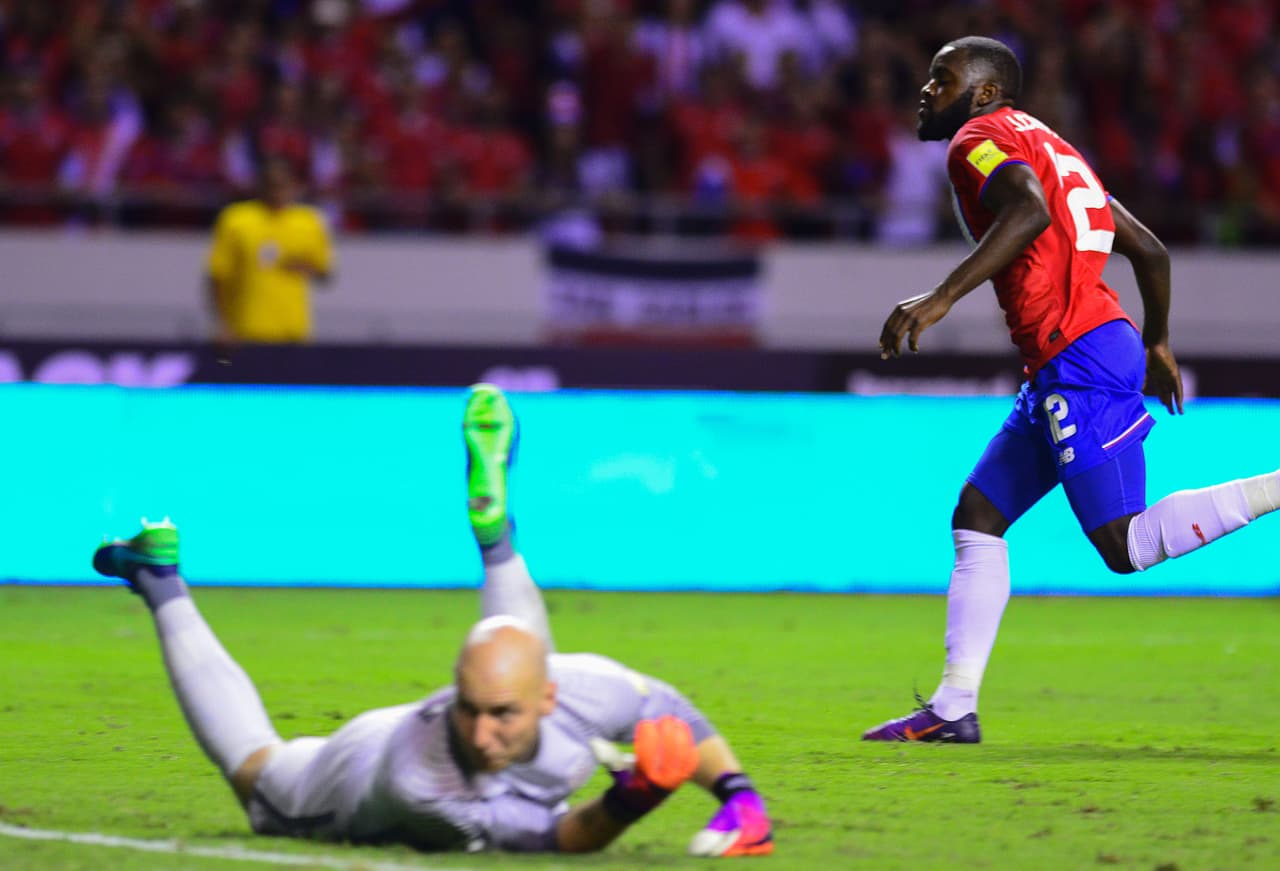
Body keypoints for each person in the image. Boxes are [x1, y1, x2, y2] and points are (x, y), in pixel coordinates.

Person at [92, 384, 773, 856]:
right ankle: (161, 581)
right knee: (259, 775)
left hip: (422, 721)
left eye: (499, 713)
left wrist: (741, 798)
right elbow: (555, 841)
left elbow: (670, 705)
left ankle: (495, 536)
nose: (480, 732)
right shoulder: (424, 788)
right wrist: (635, 799)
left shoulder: (581, 683)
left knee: (514, 657)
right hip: (354, 775)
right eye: (471, 710)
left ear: (552, 694)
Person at [863, 36, 1280, 743]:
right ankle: (953, 708)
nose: (928, 90)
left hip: (1078, 354)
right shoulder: (1058, 149)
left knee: (1127, 545)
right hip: (1074, 355)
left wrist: (940, 297)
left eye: (944, 77)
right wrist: (1157, 340)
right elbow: (1149, 247)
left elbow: (1026, 210)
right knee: (977, 518)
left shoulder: (977, 137)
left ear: (985, 92)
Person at [205, 157, 334, 345]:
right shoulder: (237, 220)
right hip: (246, 331)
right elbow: (217, 275)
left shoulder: (309, 222)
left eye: (282, 185)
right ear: (260, 185)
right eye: (271, 184)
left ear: (294, 185)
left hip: (293, 333)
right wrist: (223, 325)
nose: (276, 191)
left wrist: (306, 267)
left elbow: (325, 273)